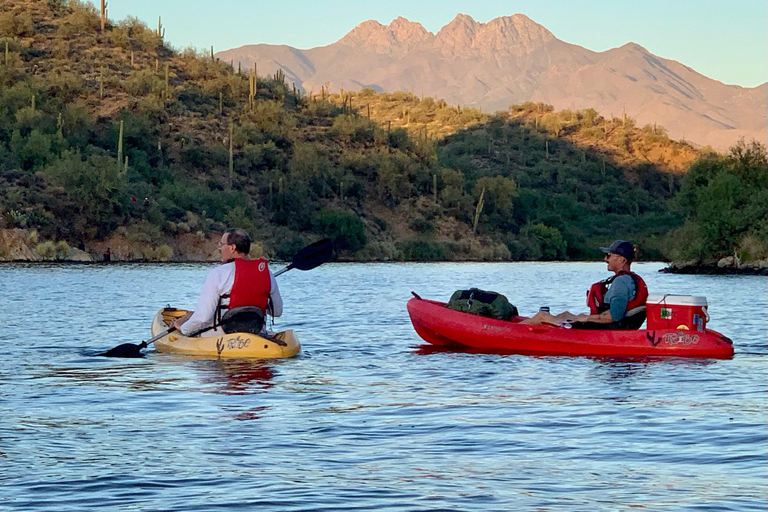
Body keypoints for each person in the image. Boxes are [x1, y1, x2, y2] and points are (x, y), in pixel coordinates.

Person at [172, 228, 282, 336]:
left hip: (221, 336)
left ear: (232, 248)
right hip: (257, 334)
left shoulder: (217, 273)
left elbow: (202, 318)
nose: (219, 248)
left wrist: (182, 329)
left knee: (194, 321)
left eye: (222, 244)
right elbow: (277, 312)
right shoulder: (267, 274)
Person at [521, 240, 648, 330]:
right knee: (565, 314)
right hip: (609, 326)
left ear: (621, 259)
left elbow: (613, 316)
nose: (605, 259)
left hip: (606, 329)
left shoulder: (621, 282)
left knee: (542, 316)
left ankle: (509, 332)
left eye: (608, 255)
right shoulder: (631, 279)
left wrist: (586, 318)